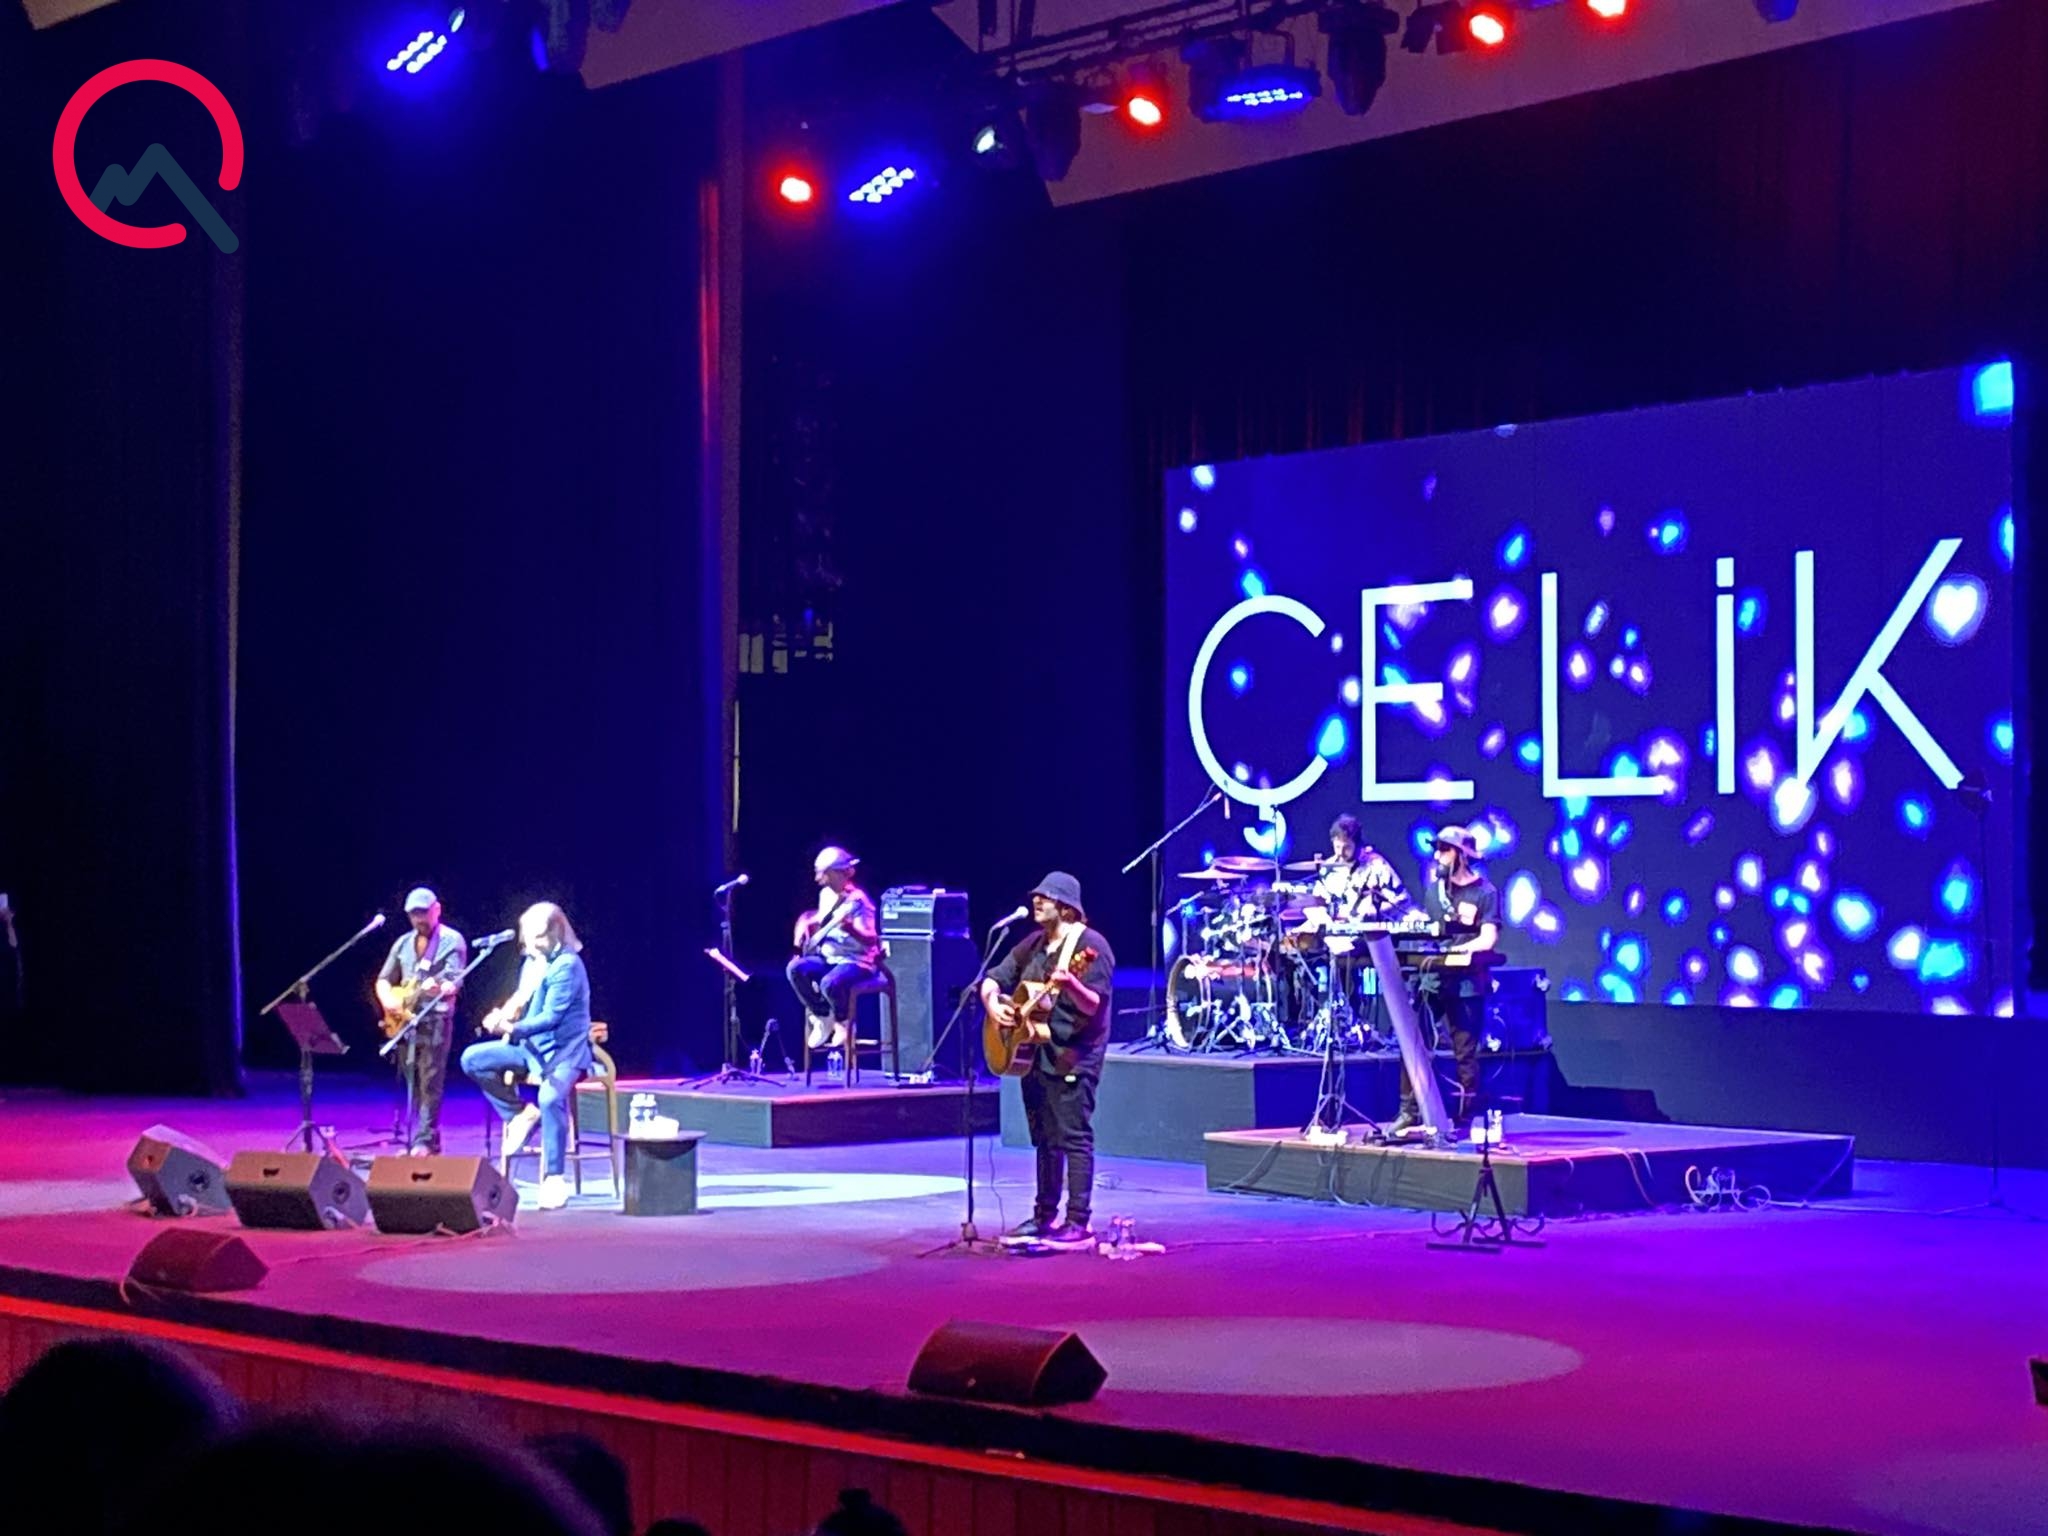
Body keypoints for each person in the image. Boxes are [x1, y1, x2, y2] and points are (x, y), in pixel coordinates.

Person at [981, 872, 1115, 1248]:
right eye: (1036, 896)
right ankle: (1044, 1215)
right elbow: (993, 978)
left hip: (1074, 1056)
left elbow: (1095, 1004)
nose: (1037, 901)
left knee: (1073, 1136)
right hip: (1034, 1055)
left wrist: (1072, 984)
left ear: (1067, 908)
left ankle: (1078, 1221)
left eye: (1047, 897)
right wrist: (993, 1004)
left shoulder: (1090, 946)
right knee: (1045, 1139)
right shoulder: (1035, 943)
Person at [461, 902, 592, 1210]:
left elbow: (551, 1017)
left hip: (563, 1053)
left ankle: (554, 1178)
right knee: (473, 1059)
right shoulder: (533, 962)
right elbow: (522, 999)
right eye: (528, 936)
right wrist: (503, 1015)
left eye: (538, 937)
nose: (531, 943)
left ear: (557, 932)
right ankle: (519, 1113)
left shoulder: (567, 965)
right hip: (530, 1050)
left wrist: (512, 1027)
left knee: (550, 1098)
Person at [1391, 826, 1499, 1139]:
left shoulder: (1485, 892)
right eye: (1436, 850)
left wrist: (1461, 951)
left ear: (1462, 855)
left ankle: (1465, 1120)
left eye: (1445, 850)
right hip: (1433, 979)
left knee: (1465, 1053)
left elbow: (1488, 938)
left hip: (1467, 984)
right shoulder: (1433, 891)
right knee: (1413, 1042)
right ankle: (1409, 1112)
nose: (1438, 856)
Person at [373, 887, 468, 1155]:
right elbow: (384, 979)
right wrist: (388, 1000)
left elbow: (454, 981)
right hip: (405, 1021)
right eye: (413, 914)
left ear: (437, 910)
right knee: (412, 1081)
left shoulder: (451, 940)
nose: (419, 919)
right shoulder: (403, 943)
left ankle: (424, 1141)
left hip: (435, 1019)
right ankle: (422, 1138)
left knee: (431, 1081)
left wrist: (441, 988)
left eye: (423, 913)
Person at [787, 846, 881, 1051]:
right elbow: (816, 919)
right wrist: (804, 927)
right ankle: (822, 1015)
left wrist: (851, 929)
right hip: (828, 958)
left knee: (830, 983)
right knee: (795, 969)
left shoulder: (859, 901)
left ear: (836, 873)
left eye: (822, 873)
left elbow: (871, 940)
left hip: (856, 961)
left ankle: (843, 1022)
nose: (817, 879)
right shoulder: (826, 895)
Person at [1309, 814, 1408, 922]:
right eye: (1337, 847)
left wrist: (1374, 912)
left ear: (1357, 844)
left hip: (1369, 927)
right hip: (1336, 927)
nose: (1341, 852)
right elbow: (1317, 902)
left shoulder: (1376, 865)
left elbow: (1402, 899)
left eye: (1347, 847)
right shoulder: (1328, 868)